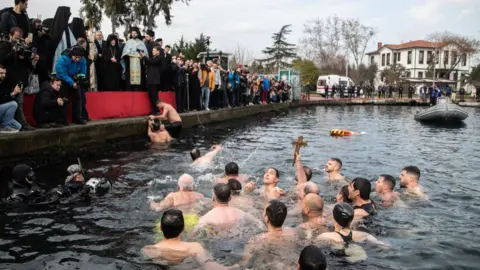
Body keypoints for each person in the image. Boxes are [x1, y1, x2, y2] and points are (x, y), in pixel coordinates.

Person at [142, 209, 230, 270]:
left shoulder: (149, 250)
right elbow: (209, 266)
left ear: (161, 228)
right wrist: (237, 266)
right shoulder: (194, 247)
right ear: (183, 228)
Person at [191, 183, 262, 236]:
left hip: (216, 242)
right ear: (230, 198)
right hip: (236, 238)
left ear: (213, 198)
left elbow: (193, 234)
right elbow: (259, 224)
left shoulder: (206, 218)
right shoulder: (241, 213)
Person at [242, 200, 297, 266]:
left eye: (264, 212)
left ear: (266, 218)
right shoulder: (293, 233)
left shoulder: (257, 240)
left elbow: (244, 263)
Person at [3, 27, 36, 130]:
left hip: (21, 79)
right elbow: (2, 61)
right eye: (16, 37)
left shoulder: (24, 47)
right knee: (17, 102)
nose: (18, 40)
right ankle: (23, 124)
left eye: (20, 38)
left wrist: (30, 57)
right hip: (9, 78)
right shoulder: (5, 46)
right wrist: (14, 52)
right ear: (10, 35)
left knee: (19, 102)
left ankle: (17, 124)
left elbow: (30, 67)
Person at [316, 203, 388, 247]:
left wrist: (308, 233)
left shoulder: (325, 236)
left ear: (334, 219)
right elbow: (383, 245)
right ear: (351, 219)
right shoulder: (363, 235)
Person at [55, 46, 88, 125]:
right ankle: (62, 119)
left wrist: (80, 81)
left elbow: (83, 72)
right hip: (63, 79)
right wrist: (71, 82)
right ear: (71, 55)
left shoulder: (82, 60)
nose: (77, 59)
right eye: (76, 57)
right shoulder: (63, 59)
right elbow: (62, 74)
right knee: (63, 98)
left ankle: (77, 118)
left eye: (79, 58)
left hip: (74, 78)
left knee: (78, 98)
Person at [120, 27, 148, 91]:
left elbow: (145, 54)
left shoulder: (141, 42)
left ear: (137, 34)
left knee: (139, 81)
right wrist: (128, 55)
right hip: (130, 63)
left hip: (139, 62)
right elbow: (124, 53)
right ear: (131, 34)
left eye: (135, 33)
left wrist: (140, 55)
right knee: (129, 80)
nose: (134, 34)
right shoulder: (128, 42)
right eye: (132, 33)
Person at [140, 46, 162, 114]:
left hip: (154, 80)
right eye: (152, 50)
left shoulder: (159, 58)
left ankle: (157, 110)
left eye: (154, 50)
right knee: (150, 95)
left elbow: (151, 62)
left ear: (158, 51)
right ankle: (153, 110)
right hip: (150, 79)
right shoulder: (152, 58)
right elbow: (148, 62)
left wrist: (144, 56)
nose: (152, 51)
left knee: (155, 95)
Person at [0, 64, 22, 133]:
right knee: (13, 104)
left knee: (18, 126)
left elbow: (7, 98)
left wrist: (16, 92)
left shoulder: (3, 83)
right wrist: (12, 94)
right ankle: (4, 127)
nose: (3, 75)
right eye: (1, 73)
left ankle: (3, 125)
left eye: (4, 73)